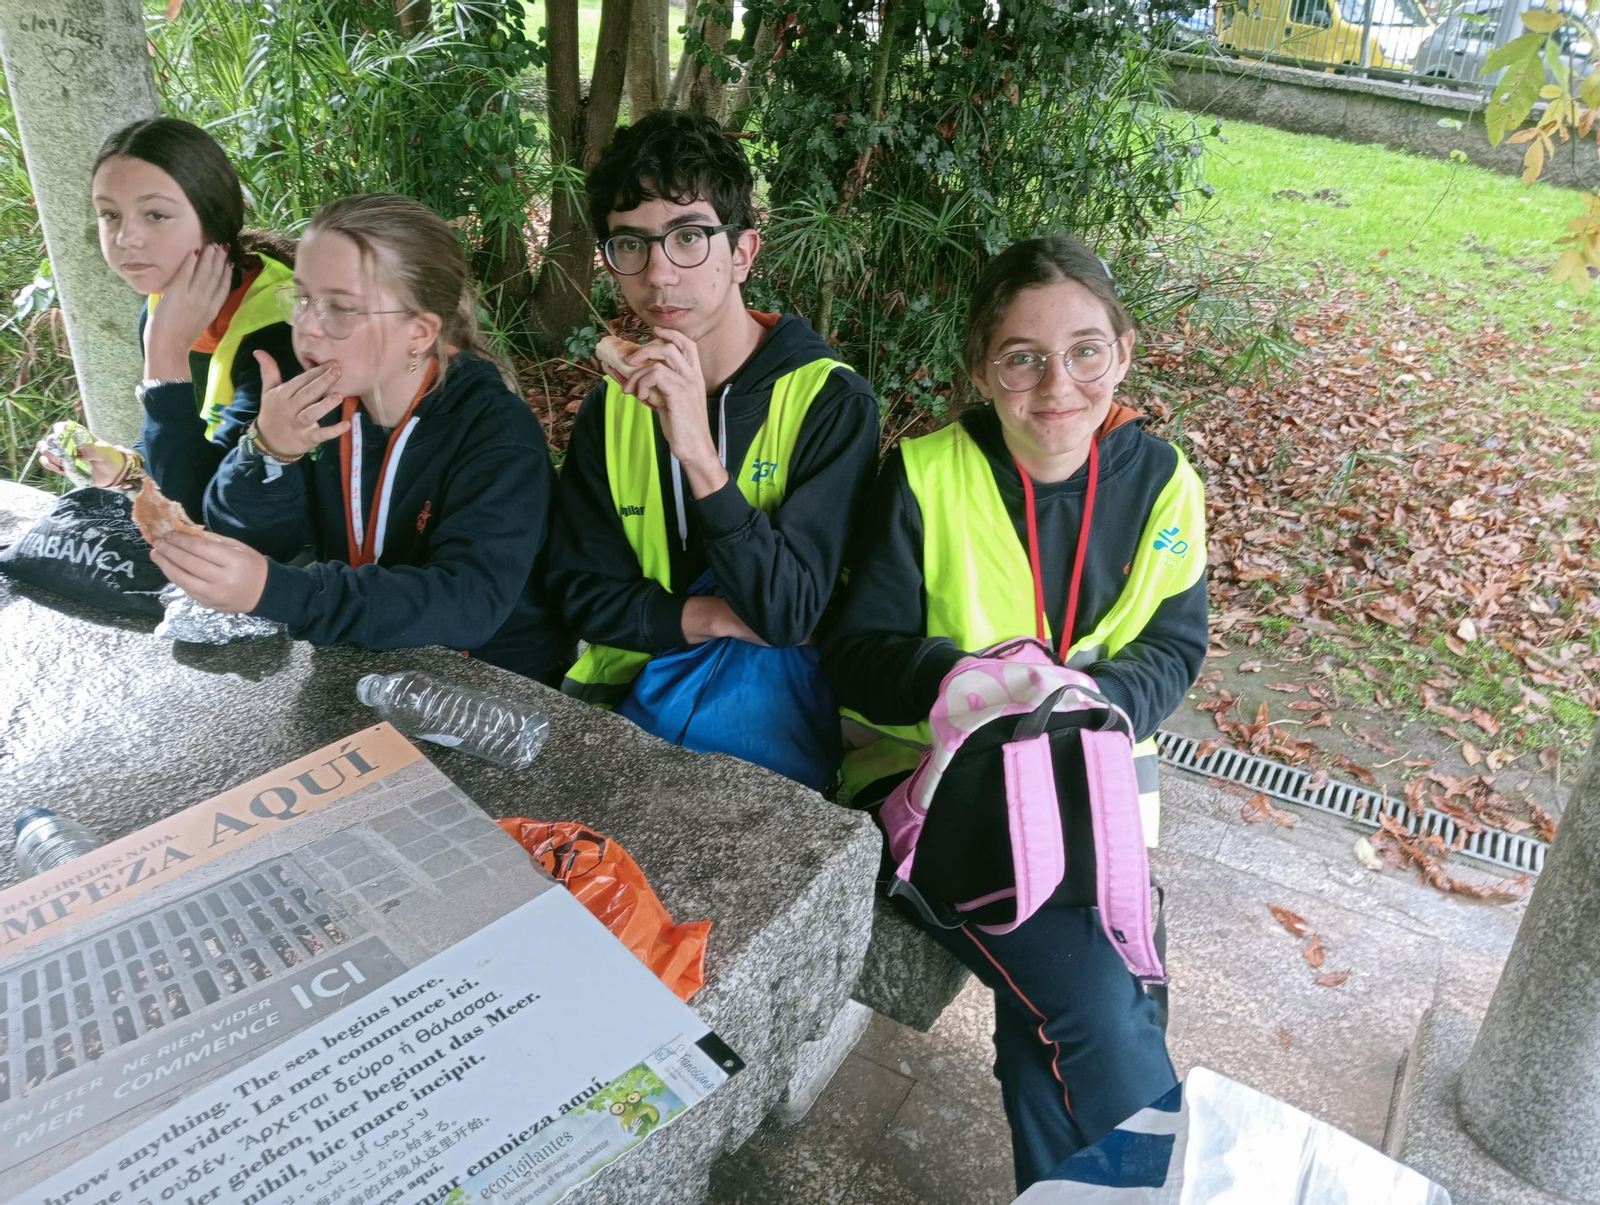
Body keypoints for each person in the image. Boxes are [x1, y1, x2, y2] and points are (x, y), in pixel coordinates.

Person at [820, 236, 1209, 1191]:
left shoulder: (1165, 482)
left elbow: (1175, 640)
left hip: (1095, 794)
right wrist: (977, 685)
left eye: (1084, 350)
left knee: (1091, 1009)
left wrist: (1092, 705)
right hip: (942, 786)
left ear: (1124, 350)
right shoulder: (923, 475)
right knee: (1102, 1006)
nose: (1057, 385)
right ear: (982, 371)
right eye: (1022, 357)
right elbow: (856, 652)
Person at [549, 110, 879, 782]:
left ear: (743, 253)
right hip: (621, 704)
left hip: (766, 725)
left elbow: (788, 613)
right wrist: (715, 617)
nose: (660, 275)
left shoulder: (830, 401)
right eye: (631, 245)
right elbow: (579, 591)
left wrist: (700, 456)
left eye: (689, 237)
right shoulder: (613, 406)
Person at [147, 193, 569, 685]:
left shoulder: (495, 433)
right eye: (303, 298)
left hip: (491, 688)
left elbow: (469, 602)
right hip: (364, 661)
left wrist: (283, 592)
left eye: (340, 308)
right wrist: (269, 450)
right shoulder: (324, 395)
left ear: (418, 332)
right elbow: (244, 535)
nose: (306, 325)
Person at [36, 117, 300, 520]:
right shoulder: (169, 301)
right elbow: (196, 454)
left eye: (155, 214)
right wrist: (124, 465)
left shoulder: (284, 331)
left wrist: (166, 353)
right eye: (110, 215)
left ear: (213, 216)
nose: (126, 238)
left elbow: (201, 509)